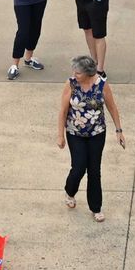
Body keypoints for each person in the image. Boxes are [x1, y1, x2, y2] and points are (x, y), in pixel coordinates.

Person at [55, 53, 125, 222]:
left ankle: (96, 207)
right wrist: (60, 135)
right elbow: (63, 111)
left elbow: (112, 107)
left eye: (78, 73)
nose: (74, 75)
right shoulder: (71, 84)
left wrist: (119, 130)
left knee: (94, 170)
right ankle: (70, 191)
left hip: (97, 132)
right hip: (75, 132)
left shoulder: (101, 84)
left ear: (88, 73)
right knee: (79, 167)